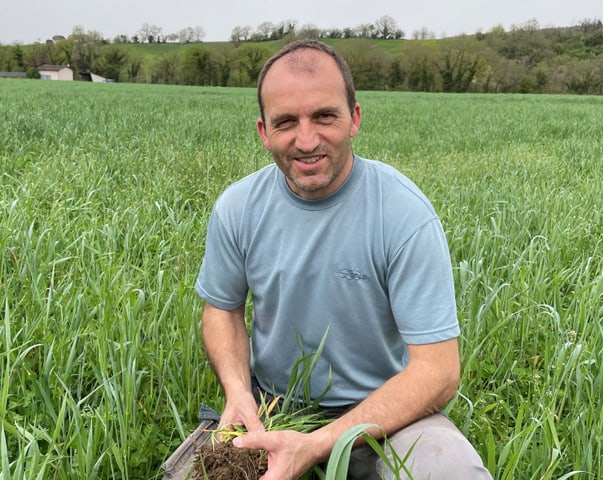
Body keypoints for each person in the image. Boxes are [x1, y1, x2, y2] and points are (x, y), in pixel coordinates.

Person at [195, 39, 492, 479]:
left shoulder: (403, 214)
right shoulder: (239, 207)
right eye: (286, 122)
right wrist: (238, 392)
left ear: (354, 118)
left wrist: (315, 446)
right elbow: (222, 308)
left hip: (383, 417)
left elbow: (439, 371)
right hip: (272, 409)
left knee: (450, 469)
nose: (306, 139)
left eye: (324, 116)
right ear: (263, 132)